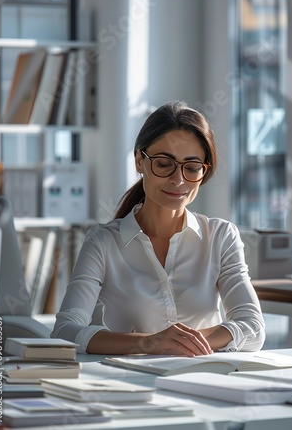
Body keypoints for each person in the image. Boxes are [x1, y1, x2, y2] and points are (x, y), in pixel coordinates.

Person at [51, 101, 265, 355]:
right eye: (164, 164)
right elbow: (65, 332)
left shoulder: (221, 237)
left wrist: (183, 341)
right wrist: (149, 342)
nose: (178, 180)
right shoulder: (103, 242)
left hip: (205, 381)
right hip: (131, 386)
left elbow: (252, 328)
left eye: (192, 167)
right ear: (140, 161)